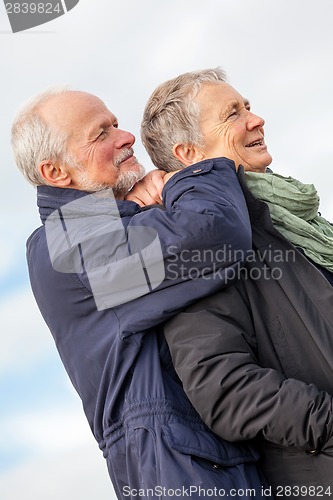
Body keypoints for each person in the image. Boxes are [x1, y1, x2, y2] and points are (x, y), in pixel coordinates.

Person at [11, 87, 270, 498]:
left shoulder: (116, 225)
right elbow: (212, 235)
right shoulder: (65, 251)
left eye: (116, 123)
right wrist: (191, 174)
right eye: (101, 133)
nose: (126, 136)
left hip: (210, 458)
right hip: (182, 472)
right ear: (56, 173)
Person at [137, 67, 333, 497]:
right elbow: (225, 389)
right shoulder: (200, 247)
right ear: (189, 153)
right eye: (232, 114)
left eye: (248, 106)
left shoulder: (298, 221)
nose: (256, 118)